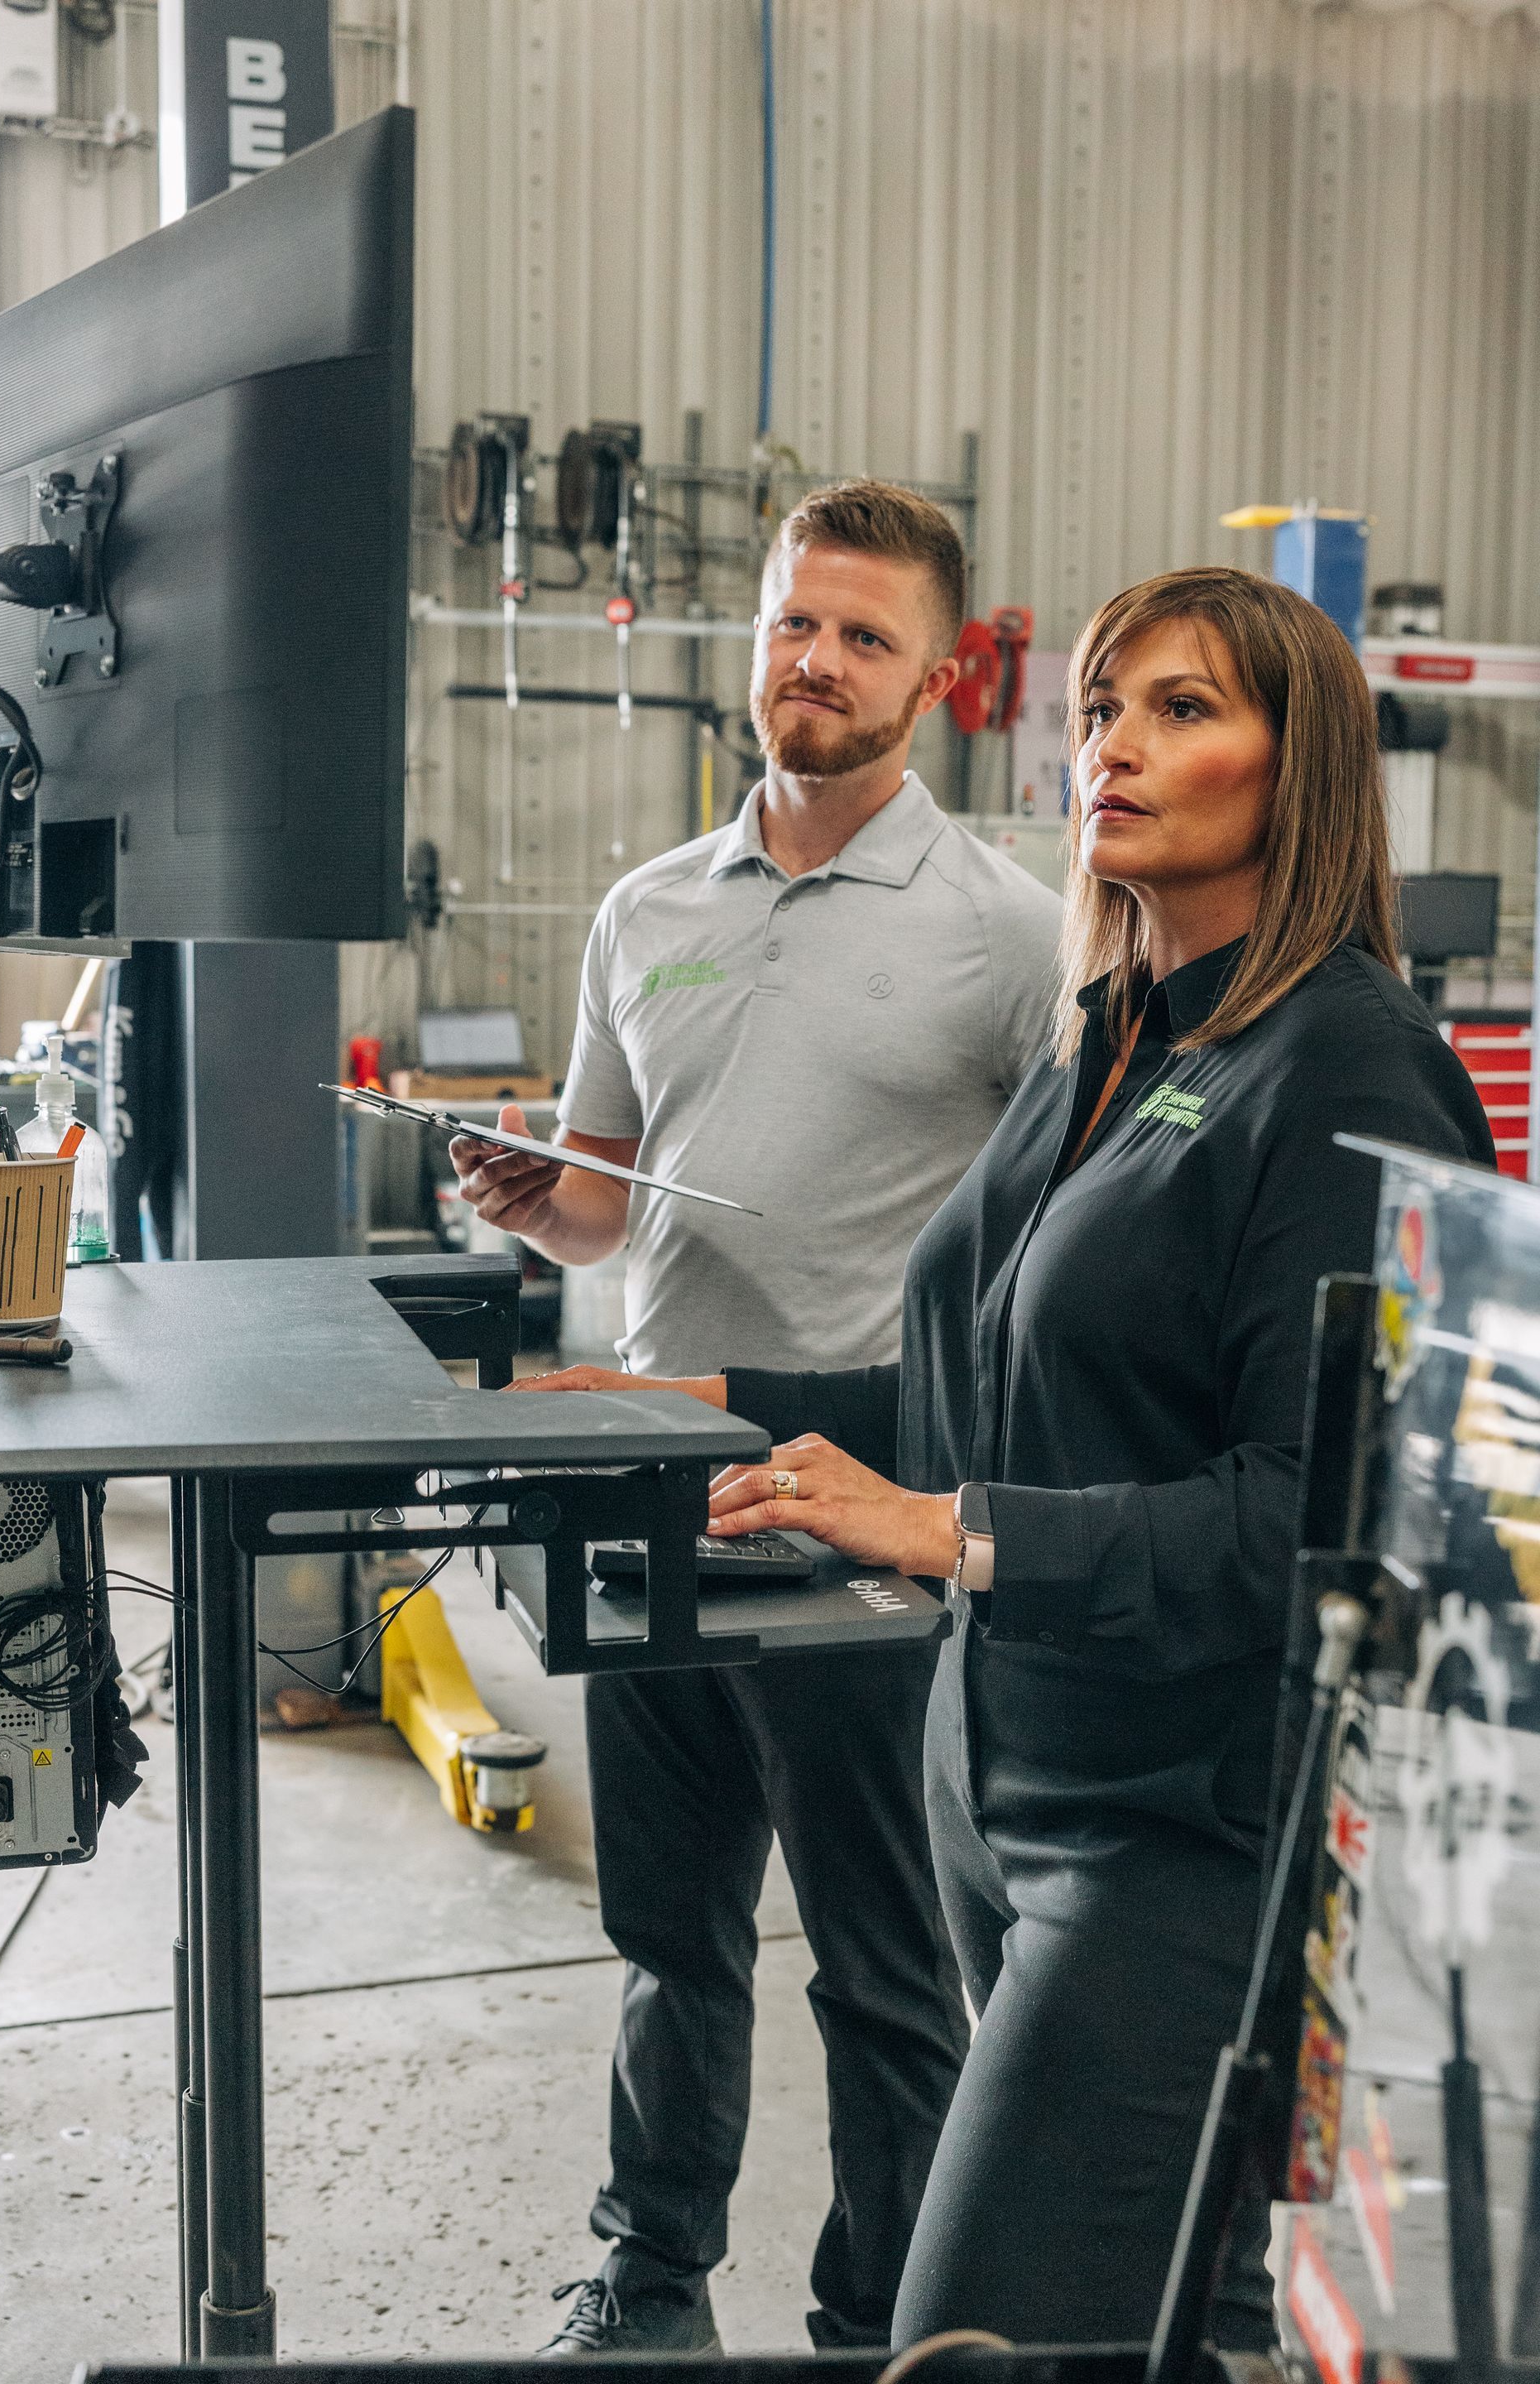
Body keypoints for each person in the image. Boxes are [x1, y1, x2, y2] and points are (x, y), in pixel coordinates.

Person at [512, 565, 1496, 2347]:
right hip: (999, 1787)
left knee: (966, 2334)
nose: (1112, 744)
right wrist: (706, 1410)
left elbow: (1329, 1526)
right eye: (1104, 705)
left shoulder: (1347, 1065)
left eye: (1184, 709)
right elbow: (992, 1393)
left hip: (1177, 1839)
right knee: (1154, 2332)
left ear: (1308, 768)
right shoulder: (1113, 1035)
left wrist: (951, 1532)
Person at [453, 479, 1062, 2357]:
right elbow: (619, 1194)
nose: (816, 659)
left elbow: (1050, 1270)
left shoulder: (1008, 932)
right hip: (658, 1494)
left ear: (941, 676)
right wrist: (533, 1191)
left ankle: (890, 2321)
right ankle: (650, 2286)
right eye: (798, 621)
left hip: (854, 1511)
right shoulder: (650, 908)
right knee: (667, 1937)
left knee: (888, 1969)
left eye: (865, 635)